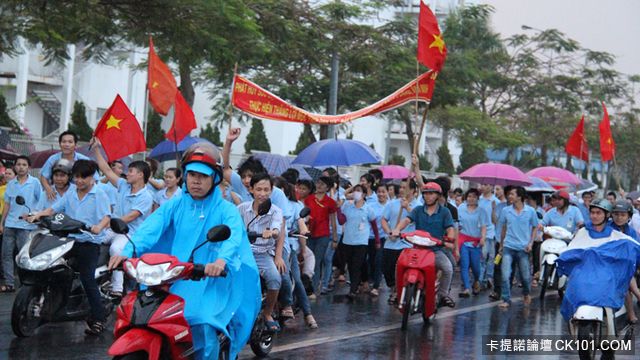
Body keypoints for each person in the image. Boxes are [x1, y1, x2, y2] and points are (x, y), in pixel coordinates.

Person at [108, 143, 260, 360]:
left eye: (203, 176)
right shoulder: (176, 204)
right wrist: (127, 250)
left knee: (203, 321)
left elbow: (233, 238)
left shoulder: (226, 209)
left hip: (210, 279)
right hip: (173, 275)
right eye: (192, 175)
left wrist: (220, 261)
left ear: (215, 178)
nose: (196, 181)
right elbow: (151, 227)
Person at [27, 160, 111, 335]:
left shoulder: (99, 194)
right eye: (77, 177)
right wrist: (37, 214)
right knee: (51, 267)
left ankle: (99, 318)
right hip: (68, 239)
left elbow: (106, 216)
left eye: (83, 177)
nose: (79, 181)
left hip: (89, 241)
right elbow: (54, 209)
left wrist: (98, 227)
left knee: (87, 279)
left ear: (92, 177)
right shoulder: (72, 192)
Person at [557, 199, 640, 324]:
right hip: (585, 271)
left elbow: (634, 247)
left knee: (622, 279)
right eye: (592, 213)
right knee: (575, 284)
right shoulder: (582, 232)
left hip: (608, 271)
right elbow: (571, 250)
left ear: (606, 215)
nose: (594, 216)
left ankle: (627, 313)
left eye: (598, 213)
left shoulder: (617, 235)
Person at [92, 138, 153, 297]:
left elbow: (131, 216)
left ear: (140, 175)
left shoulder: (146, 196)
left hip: (129, 233)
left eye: (131, 171)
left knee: (116, 249)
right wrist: (97, 149)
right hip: (112, 228)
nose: (127, 173)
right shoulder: (124, 185)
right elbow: (106, 170)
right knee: (91, 238)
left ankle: (117, 289)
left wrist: (107, 223)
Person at [390, 182, 457, 308]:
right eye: (425, 193)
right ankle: (396, 292)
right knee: (400, 264)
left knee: (448, 268)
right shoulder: (418, 210)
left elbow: (450, 229)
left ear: (438, 196)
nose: (428, 196)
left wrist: (450, 239)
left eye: (431, 193)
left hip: (435, 251)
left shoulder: (445, 212)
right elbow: (406, 220)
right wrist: (397, 229)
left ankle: (443, 295)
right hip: (417, 249)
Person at [237, 172, 285, 332]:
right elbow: (231, 226)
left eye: (266, 190)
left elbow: (278, 229)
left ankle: (267, 313)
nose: (262, 194)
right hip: (242, 253)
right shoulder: (242, 209)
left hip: (262, 253)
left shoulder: (276, 211)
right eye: (259, 189)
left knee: (275, 278)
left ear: (271, 191)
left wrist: (272, 232)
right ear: (251, 190)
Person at [275, 177, 317, 329]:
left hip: (289, 246)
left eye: (274, 189)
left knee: (295, 280)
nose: (270, 192)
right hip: (262, 248)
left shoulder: (295, 206)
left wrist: (304, 231)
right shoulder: (260, 204)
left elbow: (300, 223)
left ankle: (307, 313)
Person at [0, 156, 42, 292]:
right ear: (15, 167)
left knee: (24, 256)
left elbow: (41, 202)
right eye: (18, 164)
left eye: (24, 164)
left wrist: (34, 216)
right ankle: (9, 283)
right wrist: (2, 222)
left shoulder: (35, 182)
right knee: (6, 255)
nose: (21, 167)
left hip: (26, 226)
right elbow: (7, 204)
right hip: (10, 224)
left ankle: (26, 283)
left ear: (29, 167)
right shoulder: (11, 184)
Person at [496, 186, 538, 308]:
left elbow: (535, 226)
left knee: (525, 276)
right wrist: (501, 244)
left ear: (519, 197)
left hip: (523, 248)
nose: (509, 196)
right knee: (505, 274)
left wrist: (531, 243)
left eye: (512, 194)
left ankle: (526, 293)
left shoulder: (530, 211)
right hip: (508, 246)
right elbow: (503, 228)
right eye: (509, 194)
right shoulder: (506, 211)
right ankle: (506, 299)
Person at [381, 177, 421, 304]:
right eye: (401, 187)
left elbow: (419, 221)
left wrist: (407, 207)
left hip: (407, 244)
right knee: (387, 268)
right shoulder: (392, 204)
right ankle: (394, 288)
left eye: (406, 187)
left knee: (401, 270)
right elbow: (383, 220)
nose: (402, 190)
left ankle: (397, 292)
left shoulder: (418, 206)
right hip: (390, 242)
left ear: (413, 190)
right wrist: (389, 231)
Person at [303, 176, 339, 295]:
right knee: (307, 261)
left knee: (316, 262)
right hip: (309, 233)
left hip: (323, 235)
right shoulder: (309, 199)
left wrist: (334, 238)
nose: (319, 185)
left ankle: (313, 289)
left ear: (328, 188)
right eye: (318, 183)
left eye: (323, 184)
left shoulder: (331, 202)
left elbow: (333, 221)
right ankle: (305, 288)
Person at [341, 185, 377, 299]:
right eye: (354, 191)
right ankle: (355, 285)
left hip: (361, 242)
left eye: (358, 191)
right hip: (348, 240)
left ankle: (353, 289)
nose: (355, 193)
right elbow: (341, 220)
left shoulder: (368, 209)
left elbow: (374, 225)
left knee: (357, 265)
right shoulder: (347, 206)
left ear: (364, 195)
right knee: (351, 265)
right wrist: (338, 208)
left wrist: (377, 240)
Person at [608, 200, 640, 324]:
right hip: (608, 265)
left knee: (626, 279)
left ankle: (631, 312)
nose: (619, 218)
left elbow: (636, 249)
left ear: (629, 217)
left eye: (623, 215)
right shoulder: (607, 228)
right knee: (626, 283)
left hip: (625, 265)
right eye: (616, 214)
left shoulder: (631, 232)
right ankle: (637, 296)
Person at [39, 130, 92, 201]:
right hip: (57, 195)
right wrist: (48, 189)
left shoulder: (84, 160)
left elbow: (94, 180)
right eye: (64, 142)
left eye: (70, 142)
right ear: (60, 144)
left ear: (75, 145)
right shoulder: (52, 159)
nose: (67, 145)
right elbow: (44, 177)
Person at [457, 188, 488, 297]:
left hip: (476, 243)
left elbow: (484, 226)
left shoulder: (481, 211)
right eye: (469, 196)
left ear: (477, 198)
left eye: (474, 197)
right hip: (463, 241)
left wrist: (483, 238)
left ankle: (476, 281)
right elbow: (456, 223)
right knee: (464, 264)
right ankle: (466, 288)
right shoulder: (460, 208)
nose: (471, 199)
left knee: (476, 267)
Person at [368, 184, 388, 296]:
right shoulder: (371, 205)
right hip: (370, 237)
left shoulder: (390, 206)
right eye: (379, 192)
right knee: (370, 261)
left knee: (378, 260)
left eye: (383, 192)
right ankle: (370, 280)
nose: (381, 194)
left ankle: (376, 285)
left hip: (384, 237)